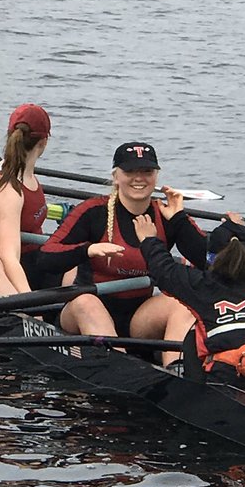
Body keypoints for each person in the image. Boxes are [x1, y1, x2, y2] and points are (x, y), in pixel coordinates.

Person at [37, 142, 207, 366]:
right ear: (116, 176)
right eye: (130, 171)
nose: (139, 178)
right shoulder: (93, 212)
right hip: (84, 309)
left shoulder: (166, 214)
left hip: (139, 318)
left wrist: (179, 220)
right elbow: (45, 257)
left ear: (156, 176)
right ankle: (119, 367)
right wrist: (87, 250)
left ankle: (176, 370)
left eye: (147, 171)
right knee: (86, 302)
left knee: (182, 304)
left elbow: (208, 261)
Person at [134, 211, 245, 383]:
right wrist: (242, 230)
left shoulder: (205, 285)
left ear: (211, 260)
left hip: (228, 377)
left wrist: (148, 239)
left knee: (193, 335)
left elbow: (163, 270)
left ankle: (189, 386)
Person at [0, 103, 51, 296]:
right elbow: (9, 258)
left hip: (32, 263)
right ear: (44, 142)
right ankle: (25, 310)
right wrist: (30, 300)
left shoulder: (27, 174)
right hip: (1, 274)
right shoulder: (7, 187)